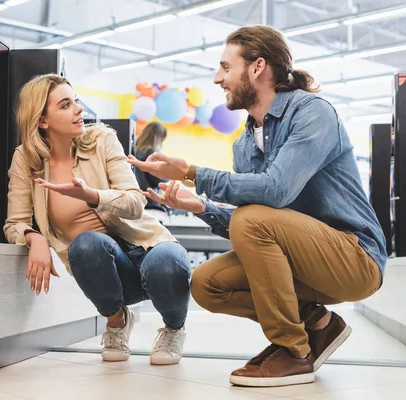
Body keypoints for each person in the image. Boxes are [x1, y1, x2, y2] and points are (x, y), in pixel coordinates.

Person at [129, 25, 386, 387]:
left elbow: (275, 191)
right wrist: (202, 208)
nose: (218, 78)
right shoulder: (244, 144)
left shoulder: (312, 113)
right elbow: (251, 231)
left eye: (225, 67)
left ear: (257, 67)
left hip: (355, 258)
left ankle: (293, 350)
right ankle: (318, 325)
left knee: (252, 218)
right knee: (206, 283)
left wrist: (191, 171)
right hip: (303, 263)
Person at [4, 74, 191, 365]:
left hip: (146, 246)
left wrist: (92, 195)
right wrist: (34, 236)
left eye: (76, 100)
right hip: (104, 267)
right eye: (66, 105)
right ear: (42, 120)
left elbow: (135, 202)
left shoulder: (102, 139)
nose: (79, 109)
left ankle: (173, 329)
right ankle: (117, 322)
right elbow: (14, 221)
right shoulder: (26, 160)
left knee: (167, 264)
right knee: (85, 244)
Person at [134, 121, 169, 213]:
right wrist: (170, 174)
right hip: (151, 200)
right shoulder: (152, 153)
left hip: (138, 198)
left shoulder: (136, 150)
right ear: (157, 138)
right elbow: (157, 179)